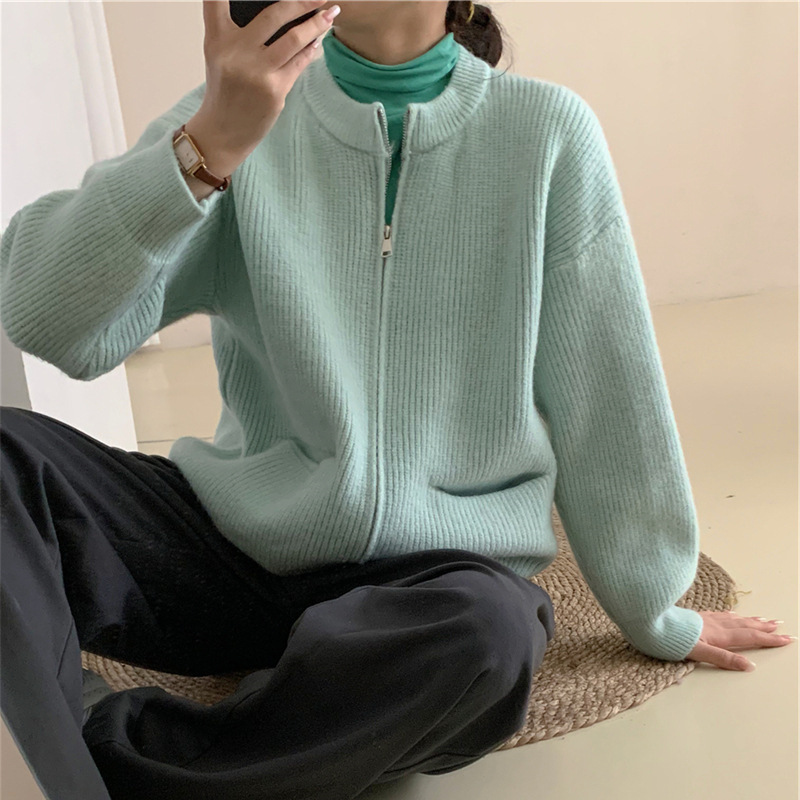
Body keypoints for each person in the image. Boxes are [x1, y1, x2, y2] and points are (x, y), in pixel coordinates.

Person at [0, 2, 792, 799]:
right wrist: (207, 148)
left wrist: (654, 607)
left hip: (431, 587)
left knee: (487, 633)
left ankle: (119, 761)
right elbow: (47, 318)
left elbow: (607, 388)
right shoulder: (241, 113)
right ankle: (235, 745)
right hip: (234, 551)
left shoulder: (544, 132)